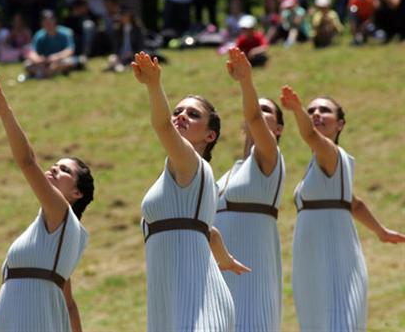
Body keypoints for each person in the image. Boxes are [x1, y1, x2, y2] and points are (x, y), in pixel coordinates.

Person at [132, 51, 250, 331]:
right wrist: (225, 260)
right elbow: (210, 232)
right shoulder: (182, 176)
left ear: (210, 136)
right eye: (178, 112)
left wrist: (153, 85)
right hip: (172, 303)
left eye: (192, 114)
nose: (181, 115)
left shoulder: (191, 164)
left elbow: (161, 126)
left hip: (199, 304)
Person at [280, 86, 405, 331]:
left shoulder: (331, 153)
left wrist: (296, 110)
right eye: (311, 110)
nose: (316, 114)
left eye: (324, 111)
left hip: (333, 253)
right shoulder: (320, 163)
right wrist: (381, 232)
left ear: (340, 124)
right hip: (312, 257)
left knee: (338, 320)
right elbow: (354, 203)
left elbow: (310, 136)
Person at [0, 75, 95, 332]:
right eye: (55, 165)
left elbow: (27, 162)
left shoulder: (61, 214)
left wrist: (5, 113)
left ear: (76, 193)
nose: (53, 169)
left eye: (64, 170)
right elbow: (69, 304)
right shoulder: (55, 235)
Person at [214, 47, 285, 331]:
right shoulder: (228, 173)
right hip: (221, 273)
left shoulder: (270, 160)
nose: (258, 112)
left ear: (278, 129)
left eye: (267, 110)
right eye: (258, 107)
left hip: (252, 270)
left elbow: (255, 119)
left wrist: (246, 82)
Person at [25, 10, 77, 79]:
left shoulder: (66, 32)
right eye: (45, 21)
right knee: (27, 64)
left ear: (55, 20)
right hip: (43, 62)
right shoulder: (39, 35)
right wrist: (38, 60)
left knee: (68, 62)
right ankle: (49, 72)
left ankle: (44, 73)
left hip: (60, 60)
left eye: (49, 21)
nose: (47, 23)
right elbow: (32, 52)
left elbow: (70, 50)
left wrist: (56, 57)